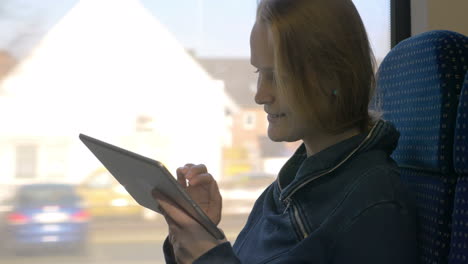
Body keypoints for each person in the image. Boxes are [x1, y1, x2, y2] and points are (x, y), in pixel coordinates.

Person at [152, 0, 419, 263]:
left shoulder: (373, 207)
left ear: (333, 78)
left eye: (277, 76)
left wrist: (209, 258)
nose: (260, 95)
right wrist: (198, 235)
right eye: (259, 72)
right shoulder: (288, 187)